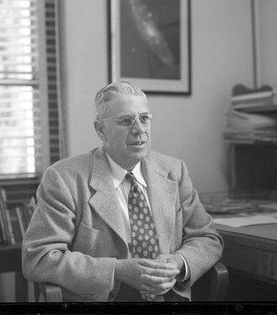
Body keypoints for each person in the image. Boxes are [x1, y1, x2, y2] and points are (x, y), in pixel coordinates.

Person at [22, 81, 223, 302]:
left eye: (144, 118)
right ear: (101, 130)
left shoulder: (174, 171)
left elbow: (208, 237)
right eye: (126, 121)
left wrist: (177, 263)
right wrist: (116, 270)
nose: (139, 129)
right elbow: (39, 258)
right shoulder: (64, 178)